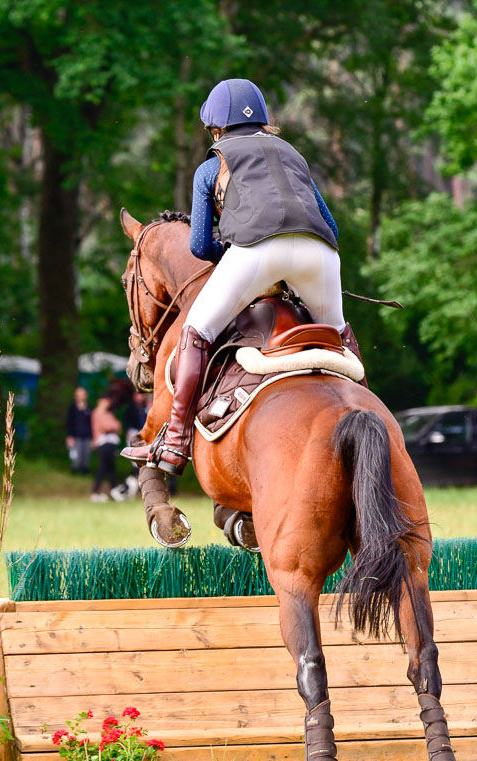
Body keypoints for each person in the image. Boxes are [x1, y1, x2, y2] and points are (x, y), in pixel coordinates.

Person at [122, 78, 363, 477]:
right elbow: (331, 227)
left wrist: (233, 253)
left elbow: (199, 246)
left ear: (216, 128)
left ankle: (175, 442)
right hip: (320, 254)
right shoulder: (293, 157)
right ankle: (371, 420)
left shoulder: (210, 167)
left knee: (195, 332)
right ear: (264, 122)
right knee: (340, 337)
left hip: (255, 253)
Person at [90, 394, 122, 502]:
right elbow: (107, 426)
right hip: (103, 442)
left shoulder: (109, 414)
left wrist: (112, 427)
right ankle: (97, 490)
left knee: (110, 467)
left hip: (111, 442)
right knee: (104, 467)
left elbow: (118, 426)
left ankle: (112, 489)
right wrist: (111, 427)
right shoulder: (96, 413)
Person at [66, 386, 92, 474]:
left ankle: (84, 473)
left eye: (82, 395)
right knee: (76, 458)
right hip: (75, 436)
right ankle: (74, 472)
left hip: (87, 436)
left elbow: (92, 423)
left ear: (85, 396)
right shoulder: (72, 408)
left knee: (86, 457)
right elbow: (69, 423)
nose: (80, 397)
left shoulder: (89, 408)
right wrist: (69, 437)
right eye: (78, 395)